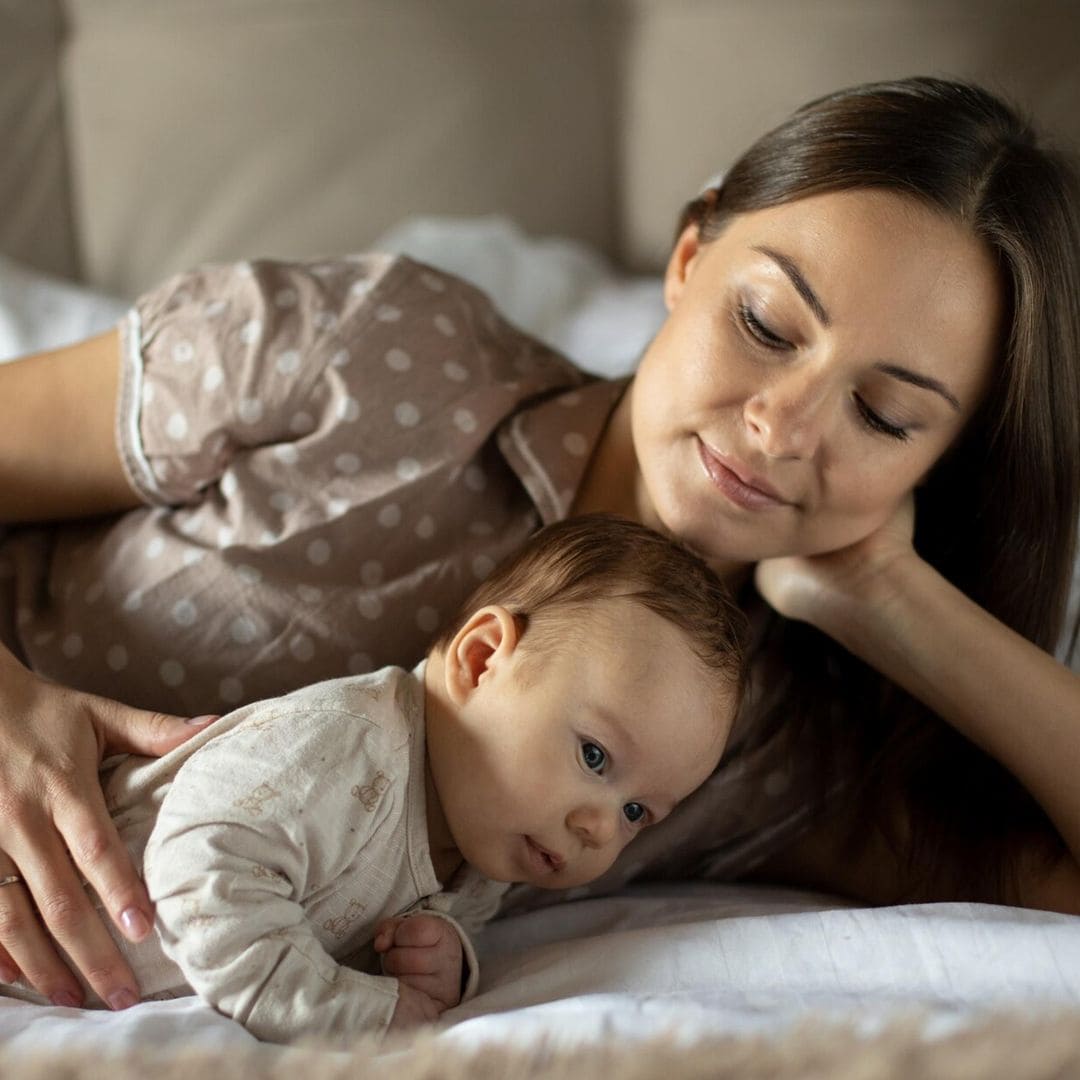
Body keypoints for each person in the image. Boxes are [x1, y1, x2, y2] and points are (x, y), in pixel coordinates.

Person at [0, 74, 1078, 1014]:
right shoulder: (375, 352)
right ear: (691, 255)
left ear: (940, 465)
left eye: (885, 416)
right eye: (764, 326)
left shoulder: (770, 742)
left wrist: (894, 597)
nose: (785, 429)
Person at [0, 515, 743, 1039]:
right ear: (483, 659)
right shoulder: (349, 744)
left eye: (640, 811)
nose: (600, 827)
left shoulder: (492, 839)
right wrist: (357, 1012)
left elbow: (379, 927)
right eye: (594, 757)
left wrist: (446, 958)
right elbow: (199, 870)